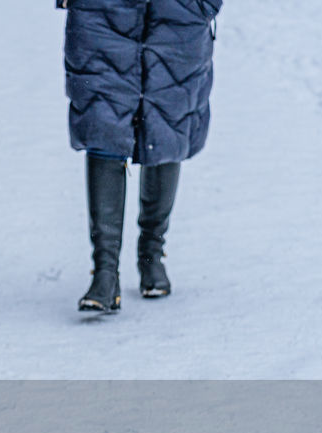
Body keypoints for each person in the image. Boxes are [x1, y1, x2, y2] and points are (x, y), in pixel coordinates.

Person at [58, 0, 221, 313]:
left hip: (178, 14)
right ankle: (105, 272)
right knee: (102, 123)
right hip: (101, 12)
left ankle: (152, 252)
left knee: (166, 126)